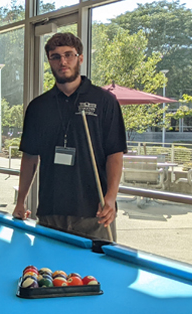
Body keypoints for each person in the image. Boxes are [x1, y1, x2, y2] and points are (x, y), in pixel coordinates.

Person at [12, 32, 127, 240]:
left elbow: (115, 154)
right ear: (49, 61)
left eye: (69, 55)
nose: (62, 61)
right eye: (55, 56)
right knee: (48, 271)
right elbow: (29, 158)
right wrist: (21, 200)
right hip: (50, 211)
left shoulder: (104, 101)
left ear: (80, 58)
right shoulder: (38, 107)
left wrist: (111, 198)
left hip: (95, 214)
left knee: (94, 272)